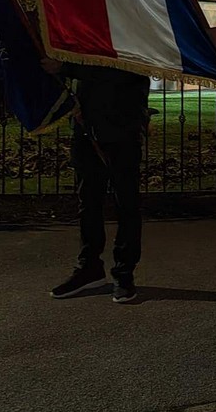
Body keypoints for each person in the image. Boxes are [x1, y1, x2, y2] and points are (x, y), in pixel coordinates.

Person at [45, 61, 151, 304]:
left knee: (126, 202)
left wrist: (65, 68)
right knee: (89, 201)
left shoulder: (131, 39)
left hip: (122, 126)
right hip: (86, 125)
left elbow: (125, 68)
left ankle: (124, 273)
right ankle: (89, 267)